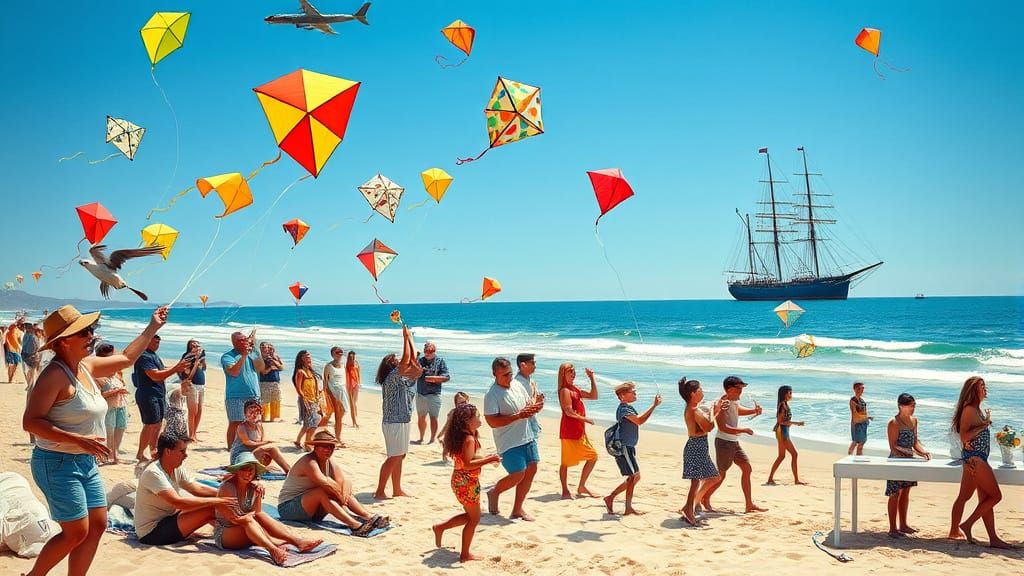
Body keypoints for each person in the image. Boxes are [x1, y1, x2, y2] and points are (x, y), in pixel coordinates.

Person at [23, 305, 170, 576]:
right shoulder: (53, 375)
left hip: (85, 461)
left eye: (91, 330)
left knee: (98, 524)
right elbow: (30, 422)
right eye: (85, 331)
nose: (92, 335)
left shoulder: (86, 366)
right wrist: (77, 439)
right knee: (75, 532)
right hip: (57, 463)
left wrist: (152, 327)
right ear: (64, 340)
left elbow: (126, 358)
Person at [214, 451, 321, 565]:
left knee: (259, 515)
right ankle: (273, 549)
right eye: (243, 469)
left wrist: (257, 494)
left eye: (251, 470)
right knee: (248, 520)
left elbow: (258, 512)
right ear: (236, 471)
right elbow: (234, 519)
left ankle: (295, 541)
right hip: (226, 534)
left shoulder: (252, 487)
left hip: (245, 528)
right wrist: (251, 518)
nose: (247, 474)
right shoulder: (227, 487)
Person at [278, 428, 388, 536]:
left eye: (331, 447)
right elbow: (324, 483)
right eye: (324, 447)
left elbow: (343, 482)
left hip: (311, 509)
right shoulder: (309, 462)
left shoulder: (329, 462)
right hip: (288, 509)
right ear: (315, 447)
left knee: (337, 488)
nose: (328, 450)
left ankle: (368, 516)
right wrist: (341, 497)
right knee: (323, 491)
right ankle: (355, 525)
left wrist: (344, 492)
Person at [135, 432, 235, 545]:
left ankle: (232, 532)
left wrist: (228, 495)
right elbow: (178, 502)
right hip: (151, 533)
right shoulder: (153, 473)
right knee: (211, 508)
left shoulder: (176, 467)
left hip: (168, 518)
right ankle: (233, 537)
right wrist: (219, 501)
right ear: (168, 451)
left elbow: (198, 489)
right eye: (182, 451)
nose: (186, 455)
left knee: (215, 509)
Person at [432, 403, 501, 562]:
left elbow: (466, 458)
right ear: (467, 421)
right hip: (466, 483)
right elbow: (468, 463)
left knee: (471, 516)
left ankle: (440, 527)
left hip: (460, 480)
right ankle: (465, 554)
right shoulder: (469, 438)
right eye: (476, 416)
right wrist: (489, 459)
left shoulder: (463, 436)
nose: (480, 418)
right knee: (474, 519)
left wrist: (485, 458)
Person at [949, 376, 1010, 548]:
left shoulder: (977, 409)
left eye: (984, 385)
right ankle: (966, 525)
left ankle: (993, 538)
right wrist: (985, 424)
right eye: (981, 386)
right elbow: (965, 436)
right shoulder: (969, 409)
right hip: (975, 458)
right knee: (995, 496)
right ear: (972, 391)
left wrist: (984, 422)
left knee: (978, 497)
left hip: (976, 458)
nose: (985, 389)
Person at [484, 356, 543, 520]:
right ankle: (494, 492)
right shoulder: (492, 395)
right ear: (495, 374)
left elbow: (527, 405)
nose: (509, 378)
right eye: (504, 375)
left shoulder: (517, 384)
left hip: (527, 435)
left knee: (532, 469)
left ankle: (517, 509)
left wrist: (536, 405)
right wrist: (518, 416)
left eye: (510, 374)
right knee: (518, 474)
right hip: (508, 441)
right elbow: (492, 421)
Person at [701, 376, 767, 513]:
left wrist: (754, 411)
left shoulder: (733, 400)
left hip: (733, 442)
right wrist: (743, 430)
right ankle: (704, 497)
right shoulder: (722, 403)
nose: (741, 392)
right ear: (730, 389)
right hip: (724, 443)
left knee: (746, 468)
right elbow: (723, 427)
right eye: (739, 388)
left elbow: (737, 410)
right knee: (721, 475)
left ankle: (749, 504)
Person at [374, 324, 422, 499]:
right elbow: (406, 359)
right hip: (394, 421)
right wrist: (404, 338)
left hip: (402, 420)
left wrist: (410, 338)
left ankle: (397, 489)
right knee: (394, 456)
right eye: (395, 359)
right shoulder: (392, 377)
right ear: (390, 365)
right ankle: (380, 491)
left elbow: (414, 361)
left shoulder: (404, 377)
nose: (399, 360)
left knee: (399, 456)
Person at [603, 381, 661, 516]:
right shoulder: (624, 409)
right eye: (633, 392)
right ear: (623, 396)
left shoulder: (627, 408)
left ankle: (611, 498)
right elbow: (639, 421)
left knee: (635, 477)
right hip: (624, 447)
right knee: (633, 476)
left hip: (629, 446)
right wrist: (654, 406)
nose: (635, 393)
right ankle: (627, 507)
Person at [134, 334, 188, 462]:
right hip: (148, 394)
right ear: (147, 341)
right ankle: (140, 453)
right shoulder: (144, 356)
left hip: (158, 393)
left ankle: (153, 450)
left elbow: (162, 370)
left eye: (158, 343)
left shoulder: (153, 355)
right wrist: (176, 368)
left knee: (158, 424)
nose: (156, 345)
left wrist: (178, 369)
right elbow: (155, 375)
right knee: (150, 425)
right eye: (154, 342)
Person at [885, 393, 930, 538]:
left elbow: (915, 441)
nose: (913, 408)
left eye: (914, 405)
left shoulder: (914, 421)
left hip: (909, 460)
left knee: (906, 492)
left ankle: (903, 525)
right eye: (911, 405)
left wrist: (923, 452)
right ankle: (893, 528)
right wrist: (906, 453)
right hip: (896, 461)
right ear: (901, 406)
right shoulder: (894, 422)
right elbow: (893, 446)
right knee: (894, 494)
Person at [679, 378, 721, 526]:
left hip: (699, 445)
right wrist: (716, 411)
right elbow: (708, 427)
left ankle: (688, 507)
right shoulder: (693, 410)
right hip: (696, 446)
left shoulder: (693, 407)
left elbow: (706, 424)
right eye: (700, 390)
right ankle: (689, 511)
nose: (702, 391)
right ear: (693, 394)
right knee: (695, 481)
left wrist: (714, 409)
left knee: (713, 477)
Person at [557, 363, 599, 499]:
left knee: (593, 456)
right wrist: (585, 419)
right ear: (563, 374)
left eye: (574, 372)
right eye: (570, 372)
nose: (573, 374)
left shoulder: (575, 389)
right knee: (565, 463)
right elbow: (568, 412)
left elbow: (594, 396)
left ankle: (582, 486)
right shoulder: (564, 390)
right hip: (569, 431)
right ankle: (565, 490)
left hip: (579, 431)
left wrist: (592, 378)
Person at [222, 331, 264, 450]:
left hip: (253, 393)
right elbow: (234, 372)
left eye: (246, 339)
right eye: (242, 340)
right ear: (234, 342)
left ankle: (255, 443)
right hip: (235, 395)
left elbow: (261, 368)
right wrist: (244, 356)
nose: (245, 342)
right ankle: (231, 448)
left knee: (255, 421)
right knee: (235, 422)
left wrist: (255, 350)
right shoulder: (228, 356)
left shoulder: (253, 353)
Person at [232, 399, 291, 472]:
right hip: (241, 456)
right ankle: (288, 470)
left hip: (253, 455)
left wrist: (267, 446)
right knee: (268, 447)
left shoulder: (260, 426)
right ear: (245, 414)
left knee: (271, 449)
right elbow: (247, 442)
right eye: (251, 412)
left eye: (257, 412)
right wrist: (267, 442)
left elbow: (261, 444)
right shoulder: (242, 427)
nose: (254, 415)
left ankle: (288, 470)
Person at [95, 342, 129, 465]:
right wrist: (115, 391)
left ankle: (115, 455)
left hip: (121, 405)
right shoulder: (97, 374)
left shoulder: (117, 372)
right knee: (108, 432)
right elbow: (97, 395)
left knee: (120, 429)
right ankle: (105, 456)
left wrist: (121, 390)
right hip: (108, 407)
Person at [766, 385, 807, 485]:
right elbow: (781, 421)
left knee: (781, 456)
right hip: (782, 432)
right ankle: (796, 480)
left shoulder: (784, 404)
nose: (791, 395)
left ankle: (770, 478)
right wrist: (796, 423)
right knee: (794, 454)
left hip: (783, 431)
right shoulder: (783, 405)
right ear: (785, 394)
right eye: (790, 393)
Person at [414, 341, 450, 445]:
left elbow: (446, 377)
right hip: (421, 393)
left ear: (434, 351)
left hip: (434, 394)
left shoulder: (440, 361)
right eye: (425, 351)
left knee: (433, 417)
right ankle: (421, 438)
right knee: (421, 417)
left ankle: (432, 438)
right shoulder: (420, 361)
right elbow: (414, 373)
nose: (427, 353)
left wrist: (434, 379)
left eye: (430, 351)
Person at [293, 350, 328, 449]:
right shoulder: (300, 372)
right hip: (306, 400)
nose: (309, 358)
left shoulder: (311, 372)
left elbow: (315, 386)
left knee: (312, 423)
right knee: (311, 423)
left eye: (309, 356)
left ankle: (299, 441)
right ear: (302, 359)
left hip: (315, 400)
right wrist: (305, 401)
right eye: (307, 357)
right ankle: (307, 444)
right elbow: (299, 388)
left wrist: (320, 394)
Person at [181, 340, 207, 442]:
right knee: (193, 411)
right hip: (192, 385)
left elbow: (204, 368)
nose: (195, 347)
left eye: (197, 345)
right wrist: (195, 362)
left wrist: (202, 361)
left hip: (201, 385)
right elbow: (187, 374)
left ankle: (194, 433)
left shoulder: (200, 356)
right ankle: (191, 435)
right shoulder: (187, 357)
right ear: (189, 347)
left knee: (199, 410)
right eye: (192, 345)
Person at [322, 346, 348, 442]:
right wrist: (325, 394)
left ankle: (325, 433)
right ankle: (337, 438)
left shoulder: (343, 365)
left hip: (342, 392)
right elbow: (325, 381)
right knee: (336, 416)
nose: (340, 354)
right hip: (333, 392)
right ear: (332, 354)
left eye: (341, 352)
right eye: (337, 352)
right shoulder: (328, 366)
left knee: (340, 415)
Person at [439, 391, 471, 463]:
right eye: (460, 403)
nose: (463, 405)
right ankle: (445, 458)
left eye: (465, 402)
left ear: (468, 401)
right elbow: (447, 425)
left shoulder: (470, 412)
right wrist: (441, 434)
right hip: (453, 432)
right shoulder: (453, 412)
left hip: (464, 433)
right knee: (447, 441)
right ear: (456, 404)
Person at [258, 341, 284, 422]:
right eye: (263, 347)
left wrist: (273, 360)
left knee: (275, 400)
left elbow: (281, 367)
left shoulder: (275, 357)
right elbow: (263, 372)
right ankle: (263, 418)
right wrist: (271, 368)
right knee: (264, 400)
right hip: (264, 382)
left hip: (275, 381)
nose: (266, 349)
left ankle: (273, 418)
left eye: (268, 348)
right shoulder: (260, 358)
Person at [848, 381, 872, 456]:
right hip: (856, 423)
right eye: (858, 388)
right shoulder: (853, 400)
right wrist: (866, 417)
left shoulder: (862, 401)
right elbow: (855, 414)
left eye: (862, 388)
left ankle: (859, 458)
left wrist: (867, 419)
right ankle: (849, 456)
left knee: (861, 443)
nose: (861, 390)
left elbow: (864, 412)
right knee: (855, 442)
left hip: (863, 423)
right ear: (854, 389)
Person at [21, 322, 42, 386]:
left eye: (26, 327)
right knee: (31, 371)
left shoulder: (28, 336)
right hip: (31, 355)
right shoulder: (31, 336)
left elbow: (24, 346)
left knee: (30, 371)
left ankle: (30, 385)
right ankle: (31, 385)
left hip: (29, 356)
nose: (25, 329)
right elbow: (37, 347)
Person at [345, 350, 360, 428]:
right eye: (351, 356)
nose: (352, 358)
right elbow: (345, 375)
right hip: (349, 386)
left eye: (353, 356)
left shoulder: (356, 363)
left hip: (356, 385)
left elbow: (358, 373)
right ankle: (354, 422)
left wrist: (359, 383)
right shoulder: (346, 365)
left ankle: (356, 419)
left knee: (355, 403)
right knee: (352, 404)